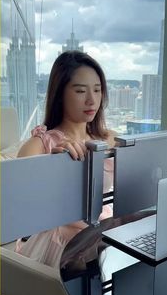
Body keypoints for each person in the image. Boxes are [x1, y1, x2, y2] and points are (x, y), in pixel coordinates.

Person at [15, 51, 116, 269]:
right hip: (61, 247)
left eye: (97, 90)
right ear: (60, 94)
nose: (92, 100)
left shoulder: (108, 138)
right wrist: (54, 169)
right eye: (80, 91)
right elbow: (18, 211)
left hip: (102, 235)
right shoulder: (39, 144)